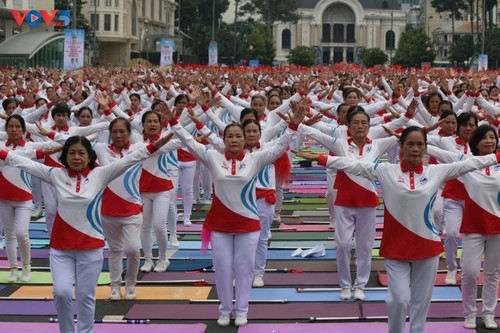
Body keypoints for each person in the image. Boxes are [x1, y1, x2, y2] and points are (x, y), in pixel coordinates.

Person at [295, 126, 500, 333]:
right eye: (410, 143)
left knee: (421, 303)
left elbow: (471, 163)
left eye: (420, 144)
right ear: (401, 146)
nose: (415, 148)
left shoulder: (437, 172)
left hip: (427, 249)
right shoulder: (386, 171)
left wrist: (497, 157)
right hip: (396, 249)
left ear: (426, 148)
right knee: (398, 300)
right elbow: (353, 165)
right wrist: (321, 159)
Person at [0, 133, 172, 333]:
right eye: (72, 153)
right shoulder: (55, 174)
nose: (76, 157)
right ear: (65, 156)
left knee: (85, 296)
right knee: (62, 293)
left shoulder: (101, 175)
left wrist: (155, 145)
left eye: (81, 153)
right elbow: (21, 161)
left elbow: (131, 159)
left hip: (90, 249)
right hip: (61, 249)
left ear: (90, 156)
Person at [161, 102, 305, 327]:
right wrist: (173, 121)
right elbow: (189, 142)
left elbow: (279, 145)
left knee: (244, 269)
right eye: (231, 137)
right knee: (223, 268)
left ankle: (241, 309)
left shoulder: (255, 159)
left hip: (248, 225)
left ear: (244, 139)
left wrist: (294, 123)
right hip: (220, 225)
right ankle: (225, 309)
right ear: (224, 140)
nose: (236, 140)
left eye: (239, 136)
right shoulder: (213, 157)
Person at [428, 124, 500, 330]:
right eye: (484, 138)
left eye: (492, 137)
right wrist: (414, 141)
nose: (489, 141)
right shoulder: (466, 163)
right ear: (475, 142)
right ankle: (469, 312)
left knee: (493, 272)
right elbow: (439, 152)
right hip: (474, 228)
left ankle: (488, 313)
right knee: (469, 272)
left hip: (497, 227)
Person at [0, 115, 61, 283]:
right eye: (11, 126)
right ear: (6, 129)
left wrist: (49, 134)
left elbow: (54, 145)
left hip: (24, 199)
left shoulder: (30, 145)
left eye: (17, 126)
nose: (14, 130)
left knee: (22, 234)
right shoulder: (1, 146)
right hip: (4, 198)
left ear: (23, 130)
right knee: (9, 235)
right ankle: (13, 268)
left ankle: (26, 266)